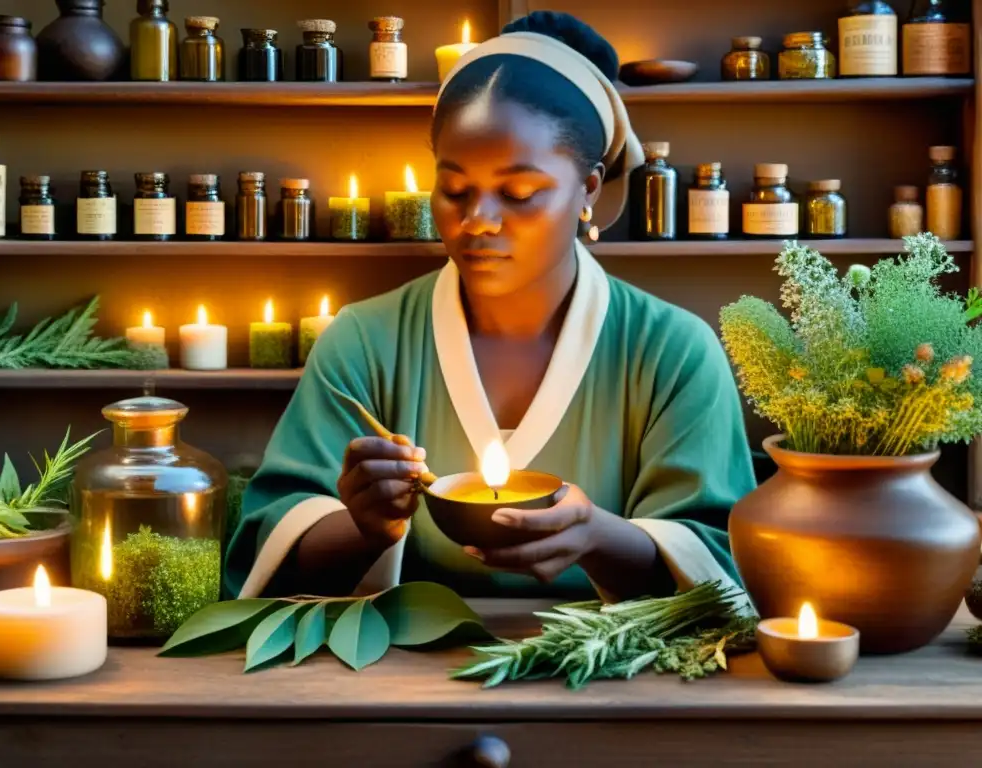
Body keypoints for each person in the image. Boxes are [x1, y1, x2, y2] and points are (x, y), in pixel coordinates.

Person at [224, 11, 756, 604]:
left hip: (613, 689)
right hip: (395, 684)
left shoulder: (672, 353)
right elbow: (269, 548)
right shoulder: (363, 342)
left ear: (589, 189)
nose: (478, 220)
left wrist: (599, 539)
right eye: (454, 190)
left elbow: (719, 568)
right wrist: (364, 527)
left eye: (519, 193)